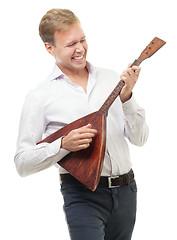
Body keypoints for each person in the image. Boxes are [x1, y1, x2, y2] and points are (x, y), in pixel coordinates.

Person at [15, 8, 149, 240]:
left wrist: (127, 98)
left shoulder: (112, 80)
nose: (80, 49)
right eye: (70, 44)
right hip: (82, 194)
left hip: (127, 191)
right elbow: (22, 163)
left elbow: (140, 139)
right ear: (49, 48)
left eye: (83, 39)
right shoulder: (40, 97)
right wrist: (63, 144)